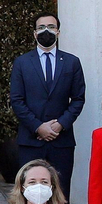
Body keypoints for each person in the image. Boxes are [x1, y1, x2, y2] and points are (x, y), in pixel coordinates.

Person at [8, 13, 85, 194]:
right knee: (30, 193)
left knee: (61, 192)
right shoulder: (22, 62)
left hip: (62, 142)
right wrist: (38, 126)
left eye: (51, 27)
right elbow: (17, 100)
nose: (46, 31)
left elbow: (78, 98)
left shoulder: (72, 62)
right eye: (41, 27)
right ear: (34, 33)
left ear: (58, 32)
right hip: (31, 142)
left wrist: (60, 125)